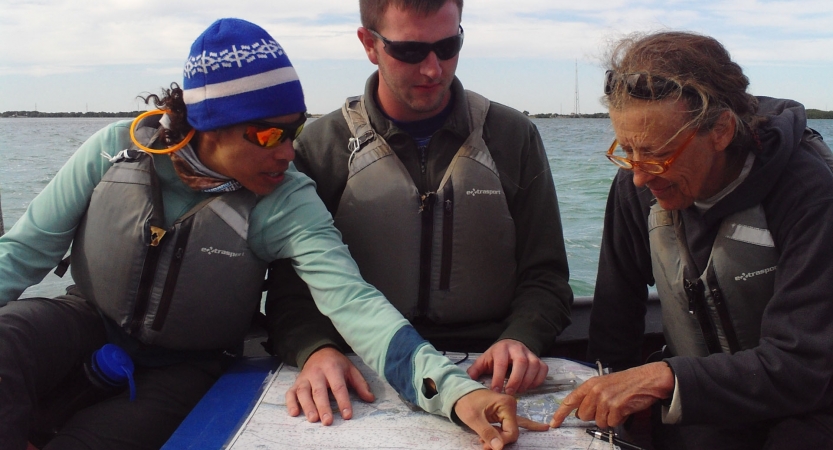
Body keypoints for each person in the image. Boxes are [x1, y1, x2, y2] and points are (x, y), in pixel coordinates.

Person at [0, 18, 547, 450]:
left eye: (295, 131)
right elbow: (22, 254)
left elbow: (358, 306)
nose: (288, 152)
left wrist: (455, 394)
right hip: (84, 322)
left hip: (185, 364)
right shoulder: (113, 150)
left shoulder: (288, 199)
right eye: (266, 134)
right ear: (206, 125)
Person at [264, 0, 573, 426]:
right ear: (369, 44)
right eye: (410, 52)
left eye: (449, 46)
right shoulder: (320, 147)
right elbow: (289, 291)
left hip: (491, 361)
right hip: (356, 366)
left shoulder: (513, 136)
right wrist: (314, 349)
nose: (433, 69)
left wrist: (522, 338)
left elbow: (547, 276)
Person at [550, 31, 833, 449]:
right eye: (627, 151)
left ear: (720, 131)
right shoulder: (636, 182)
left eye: (657, 154)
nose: (641, 175)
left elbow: (805, 364)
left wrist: (666, 377)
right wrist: (615, 404)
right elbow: (616, 322)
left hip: (808, 407)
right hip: (703, 407)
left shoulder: (810, 190)